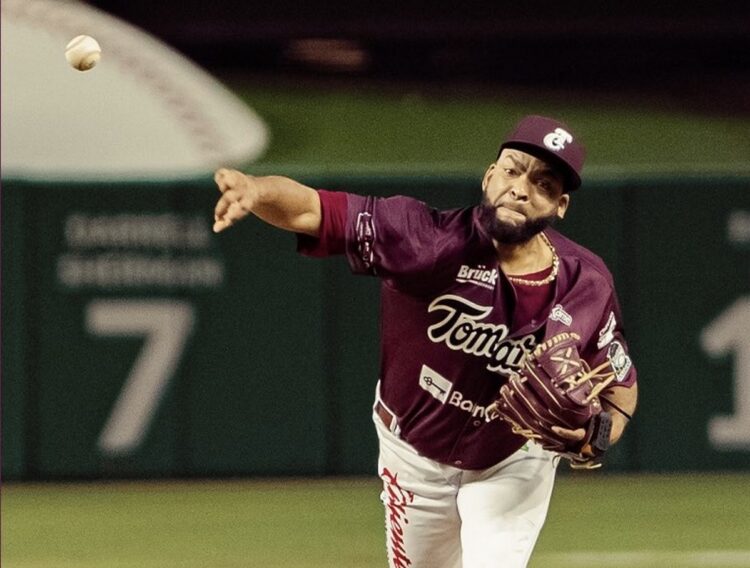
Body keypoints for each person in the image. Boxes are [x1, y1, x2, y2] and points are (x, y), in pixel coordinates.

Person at [211, 115, 638, 568]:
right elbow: (312, 209)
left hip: (513, 459)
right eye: (513, 170)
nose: (521, 189)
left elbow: (619, 382)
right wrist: (256, 190)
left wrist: (599, 434)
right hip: (413, 455)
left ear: (560, 206)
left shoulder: (585, 283)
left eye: (544, 184)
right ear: (489, 175)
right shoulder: (424, 239)